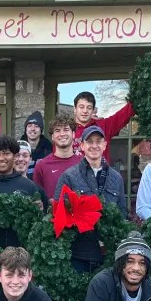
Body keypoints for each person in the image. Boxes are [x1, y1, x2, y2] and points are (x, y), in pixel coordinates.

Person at [54, 124, 128, 283]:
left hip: (108, 255)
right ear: (82, 146)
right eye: (89, 142)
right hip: (78, 255)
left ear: (104, 145)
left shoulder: (116, 178)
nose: (94, 146)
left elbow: (122, 214)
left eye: (98, 141)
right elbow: (57, 213)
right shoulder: (69, 176)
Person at [33, 115, 82, 204]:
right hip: (52, 217)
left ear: (73, 134)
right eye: (57, 130)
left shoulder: (83, 163)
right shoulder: (42, 166)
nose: (62, 134)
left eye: (66, 130)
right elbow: (38, 198)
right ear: (52, 136)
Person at [71, 91, 134, 159]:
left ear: (93, 110)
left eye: (89, 107)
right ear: (75, 109)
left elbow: (126, 113)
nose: (85, 111)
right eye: (81, 107)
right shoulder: (67, 130)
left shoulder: (103, 125)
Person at [21, 111, 51, 177]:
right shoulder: (18, 148)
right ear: (25, 130)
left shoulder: (49, 149)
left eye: (36, 126)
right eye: (29, 126)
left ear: (41, 130)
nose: (33, 129)